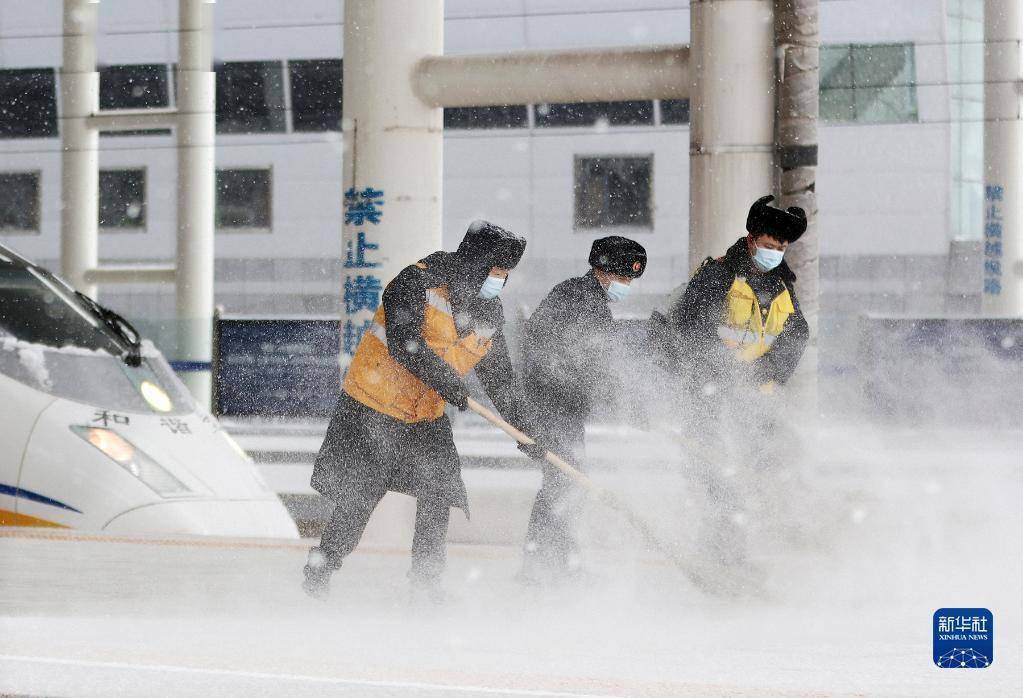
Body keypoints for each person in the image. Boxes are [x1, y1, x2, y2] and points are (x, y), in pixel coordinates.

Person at [303, 221, 540, 601]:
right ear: (474, 264)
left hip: (424, 416)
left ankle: (426, 582)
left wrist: (526, 431)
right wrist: (447, 380)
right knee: (361, 496)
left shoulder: (488, 311)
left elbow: (501, 381)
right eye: (494, 273)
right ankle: (324, 562)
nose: (499, 282)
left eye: (505, 276)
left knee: (440, 488)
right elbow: (404, 343)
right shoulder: (414, 283)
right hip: (373, 408)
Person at [657, 194, 809, 591]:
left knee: (744, 478)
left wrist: (767, 372)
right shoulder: (719, 276)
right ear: (751, 239)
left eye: (782, 248)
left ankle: (731, 559)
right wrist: (718, 377)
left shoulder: (780, 287)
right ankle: (716, 563)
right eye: (769, 245)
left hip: (746, 401)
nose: (775, 254)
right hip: (705, 399)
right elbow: (691, 330)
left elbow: (797, 333)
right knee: (717, 481)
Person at [518, 235, 647, 583]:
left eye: (630, 280)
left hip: (563, 406)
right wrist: (624, 404)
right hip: (551, 404)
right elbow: (583, 362)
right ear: (603, 270)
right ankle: (544, 567)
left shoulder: (586, 298)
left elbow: (594, 364)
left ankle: (551, 563)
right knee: (566, 481)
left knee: (566, 481)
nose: (626, 285)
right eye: (622, 277)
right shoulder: (578, 298)